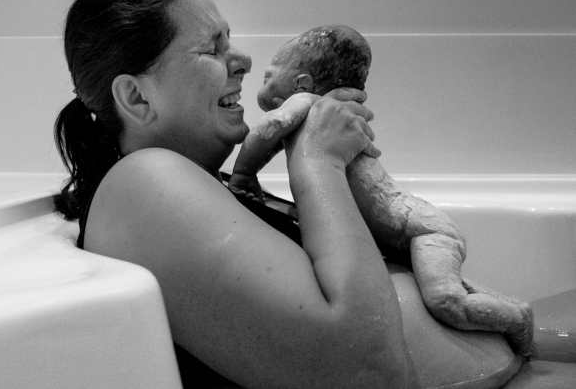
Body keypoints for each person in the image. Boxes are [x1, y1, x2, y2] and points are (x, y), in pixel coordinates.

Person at [53, 0, 417, 388]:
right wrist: (319, 161)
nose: (243, 61)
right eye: (212, 49)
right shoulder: (143, 181)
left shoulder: (201, 184)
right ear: (137, 97)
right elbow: (371, 372)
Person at [228, 25, 534, 357]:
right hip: (410, 226)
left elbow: (267, 129)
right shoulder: (326, 117)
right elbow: (274, 141)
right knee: (448, 290)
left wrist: (243, 175)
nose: (264, 85)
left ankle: (519, 320)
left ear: (302, 83)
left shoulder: (307, 102)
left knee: (447, 301)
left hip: (421, 228)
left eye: (268, 77)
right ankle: (515, 325)